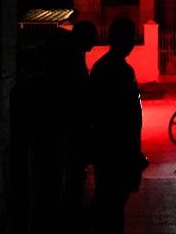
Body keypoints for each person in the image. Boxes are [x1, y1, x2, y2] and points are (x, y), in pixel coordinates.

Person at [89, 17, 148, 234]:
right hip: (116, 146)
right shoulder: (119, 70)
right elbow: (123, 114)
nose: (133, 43)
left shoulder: (103, 66)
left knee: (108, 197)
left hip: (109, 145)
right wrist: (132, 148)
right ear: (120, 40)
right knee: (113, 201)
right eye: (130, 38)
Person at [62, 20, 98, 232]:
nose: (94, 41)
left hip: (77, 125)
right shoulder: (73, 59)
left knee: (76, 169)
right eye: (92, 36)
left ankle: (75, 209)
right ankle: (74, 211)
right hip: (75, 125)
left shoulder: (75, 56)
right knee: (75, 169)